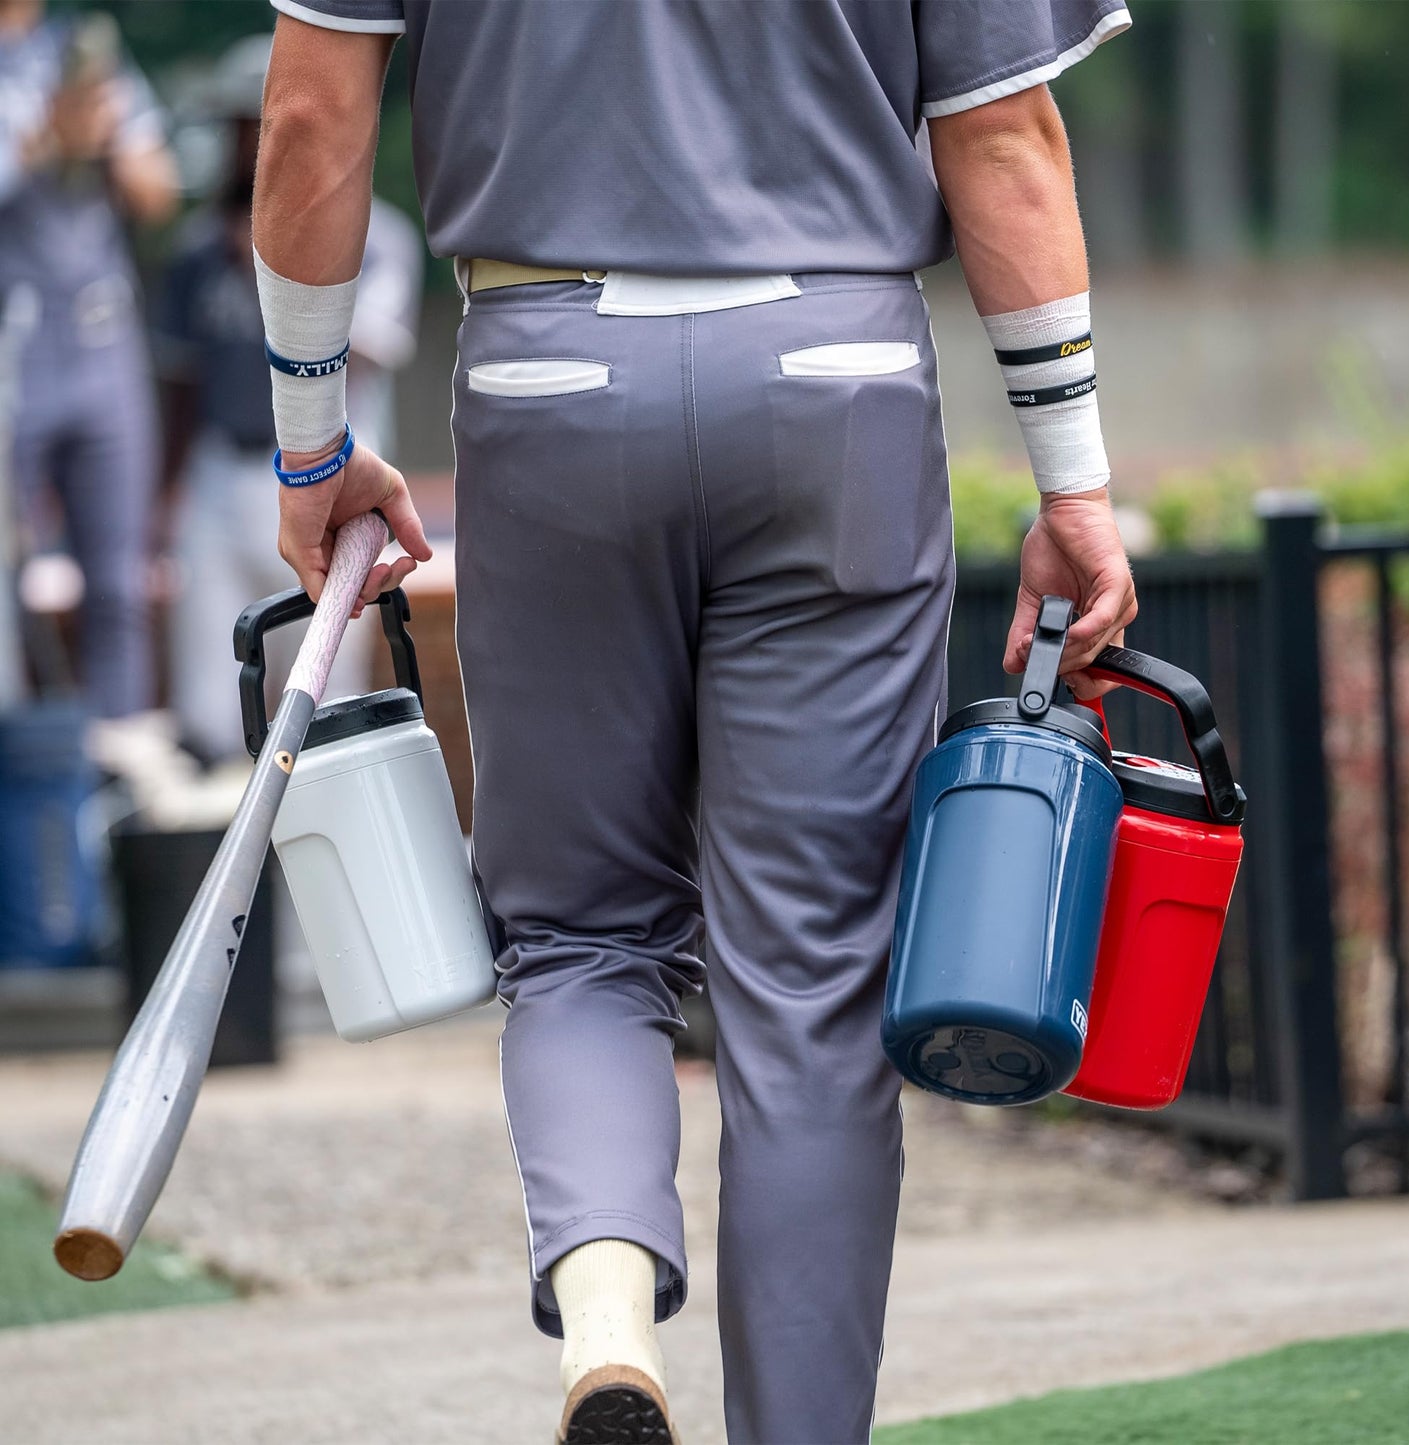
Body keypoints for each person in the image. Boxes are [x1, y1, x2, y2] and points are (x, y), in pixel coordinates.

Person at [251, 4, 1138, 1442]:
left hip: (547, 376)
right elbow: (1004, 133)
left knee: (580, 936)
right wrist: (1076, 487)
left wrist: (309, 435)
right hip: (833, 384)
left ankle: (607, 1334)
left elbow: (307, 111)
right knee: (813, 983)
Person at [155, 33, 422, 763]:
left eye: (259, 122)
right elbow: (177, 384)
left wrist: (275, 259)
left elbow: (368, 353)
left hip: (338, 482)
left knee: (328, 718)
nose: (249, 141)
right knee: (211, 721)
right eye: (241, 126)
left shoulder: (380, 236)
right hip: (220, 477)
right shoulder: (194, 250)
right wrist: (165, 491)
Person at [0, 0, 176, 717]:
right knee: (8, 573)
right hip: (15, 343)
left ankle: (117, 763)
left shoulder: (85, 47)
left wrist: (102, 139)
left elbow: (158, 194)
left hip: (102, 343)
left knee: (118, 582)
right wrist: (42, 141)